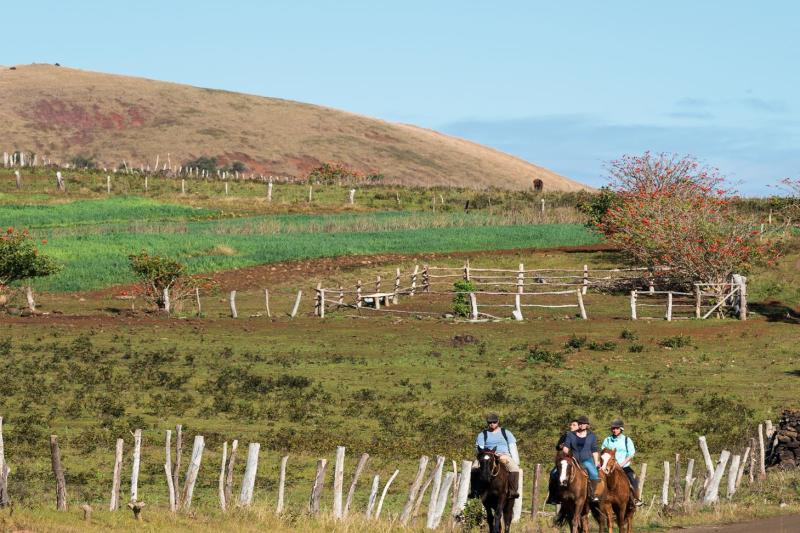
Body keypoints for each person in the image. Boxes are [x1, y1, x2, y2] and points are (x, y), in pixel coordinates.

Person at [474, 412, 520, 498]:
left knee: (514, 468)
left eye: (494, 422)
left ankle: (513, 491)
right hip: (487, 454)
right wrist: (482, 456)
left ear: (498, 422)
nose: (492, 424)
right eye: (490, 422)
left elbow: (512, 446)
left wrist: (516, 461)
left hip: (503, 454)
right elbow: (479, 448)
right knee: (474, 468)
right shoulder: (482, 434)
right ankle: (474, 491)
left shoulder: (506, 433)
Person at [601, 419, 643, 506]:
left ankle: (636, 498)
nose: (614, 430)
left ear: (621, 429)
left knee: (633, 479)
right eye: (613, 428)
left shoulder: (627, 440)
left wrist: (622, 464)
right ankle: (596, 497)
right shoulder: (608, 440)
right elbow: (603, 451)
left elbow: (631, 454)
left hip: (623, 466)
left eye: (616, 428)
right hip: (609, 466)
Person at [561, 415, 600, 502]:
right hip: (573, 459)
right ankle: (556, 494)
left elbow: (594, 449)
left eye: (584, 423)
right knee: (557, 472)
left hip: (586, 459)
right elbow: (566, 446)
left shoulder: (591, 436)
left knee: (594, 474)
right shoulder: (571, 434)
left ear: (587, 425)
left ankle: (593, 493)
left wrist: (596, 461)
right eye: (580, 423)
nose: (581, 425)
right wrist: (565, 450)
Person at [546, 418, 579, 504]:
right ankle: (553, 496)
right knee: (553, 473)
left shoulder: (581, 436)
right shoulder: (566, 435)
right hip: (564, 460)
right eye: (571, 425)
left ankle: (591, 495)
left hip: (577, 459)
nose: (571, 426)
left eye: (574, 425)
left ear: (579, 426)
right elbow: (557, 447)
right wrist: (560, 446)